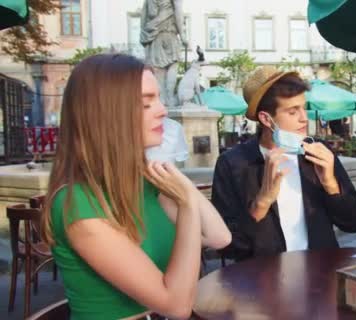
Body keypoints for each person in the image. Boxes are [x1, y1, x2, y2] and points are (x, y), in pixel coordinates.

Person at [40, 54, 231, 320]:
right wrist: (186, 203)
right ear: (107, 116)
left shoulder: (145, 182)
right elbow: (176, 306)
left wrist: (171, 172)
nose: (163, 110)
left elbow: (219, 237)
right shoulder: (80, 204)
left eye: (159, 99)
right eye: (146, 104)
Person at [211, 66, 356, 261]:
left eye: (303, 108)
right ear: (266, 118)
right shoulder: (233, 163)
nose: (304, 118)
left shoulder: (317, 152)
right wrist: (262, 202)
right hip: (263, 283)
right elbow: (228, 248)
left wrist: (330, 184)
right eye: (293, 112)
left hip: (320, 275)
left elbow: (352, 223)